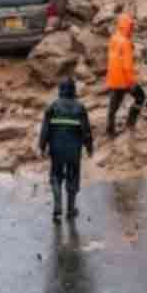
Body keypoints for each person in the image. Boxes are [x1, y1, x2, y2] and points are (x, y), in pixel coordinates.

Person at [40, 77, 94, 222]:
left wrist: (42, 146)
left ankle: (57, 207)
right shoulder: (80, 107)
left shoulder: (52, 107)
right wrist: (89, 147)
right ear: (73, 90)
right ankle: (70, 209)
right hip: (73, 150)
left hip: (56, 150)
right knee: (73, 177)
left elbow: (45, 129)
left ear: (60, 90)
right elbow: (86, 131)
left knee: (56, 176)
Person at [106, 13, 145, 137]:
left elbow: (114, 59)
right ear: (126, 26)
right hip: (124, 80)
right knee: (140, 97)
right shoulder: (125, 43)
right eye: (131, 26)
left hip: (113, 78)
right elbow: (127, 66)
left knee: (113, 106)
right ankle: (130, 123)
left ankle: (110, 130)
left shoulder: (114, 38)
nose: (132, 29)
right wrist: (132, 82)